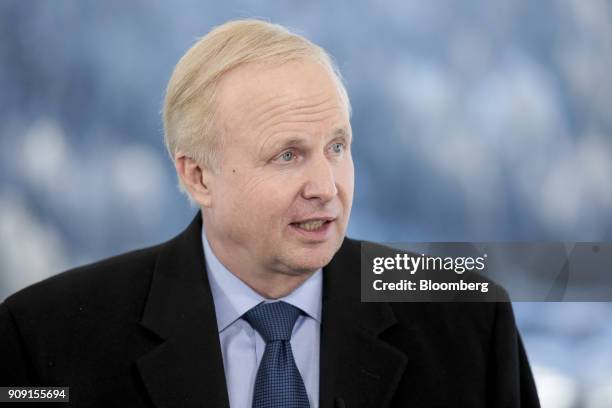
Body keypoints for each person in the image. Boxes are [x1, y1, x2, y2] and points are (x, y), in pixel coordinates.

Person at [0, 19, 540, 407]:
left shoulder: (468, 312)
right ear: (198, 176)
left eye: (336, 147)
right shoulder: (43, 336)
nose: (326, 187)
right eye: (288, 156)